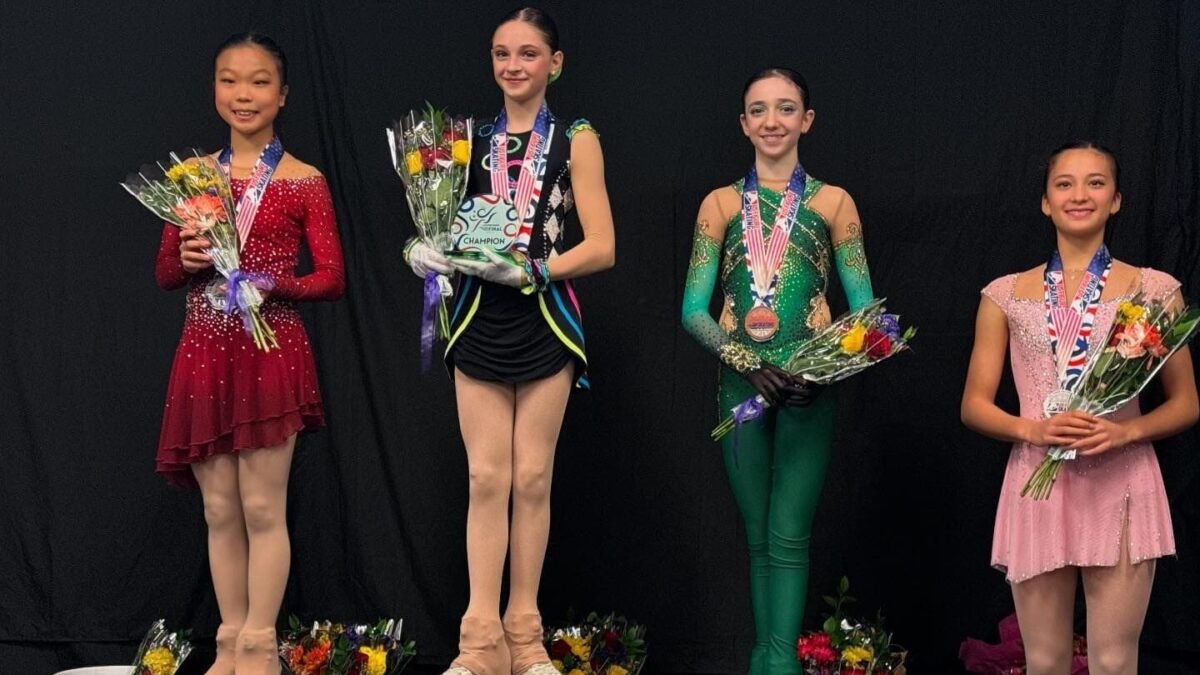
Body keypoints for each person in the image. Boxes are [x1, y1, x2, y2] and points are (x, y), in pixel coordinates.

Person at [402, 8, 615, 675]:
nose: (513, 66)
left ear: (555, 63)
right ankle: (478, 642)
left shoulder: (577, 139)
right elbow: (443, 226)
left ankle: (525, 637)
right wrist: (422, 249)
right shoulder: (463, 142)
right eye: (501, 53)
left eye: (528, 54)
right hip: (478, 318)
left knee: (531, 475)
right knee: (485, 475)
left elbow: (603, 246)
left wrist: (536, 268)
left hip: (545, 317)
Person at [961, 141, 1198, 675]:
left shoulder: (1155, 289)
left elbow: (1186, 404)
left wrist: (1124, 434)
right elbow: (974, 405)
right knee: (1045, 660)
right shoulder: (1004, 294)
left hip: (1123, 482)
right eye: (1064, 184)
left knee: (1114, 660)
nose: (1080, 195)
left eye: (1096, 182)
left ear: (1116, 199)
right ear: (1046, 202)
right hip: (1037, 483)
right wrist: (1034, 429)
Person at [153, 32, 345, 675]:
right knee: (217, 507)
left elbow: (332, 278)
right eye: (230, 79)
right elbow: (166, 273)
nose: (244, 93)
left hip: (271, 351)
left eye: (259, 81)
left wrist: (270, 282)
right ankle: (229, 639)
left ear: (282, 95)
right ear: (215, 90)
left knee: (263, 505)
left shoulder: (303, 181)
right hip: (204, 351)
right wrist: (184, 258)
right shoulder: (193, 177)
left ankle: (261, 642)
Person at [680, 68, 876, 675]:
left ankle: (781, 666)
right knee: (757, 536)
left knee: (789, 535)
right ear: (743, 123)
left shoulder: (833, 202)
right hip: (740, 390)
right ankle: (762, 662)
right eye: (758, 110)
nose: (772, 121)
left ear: (806, 121)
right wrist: (747, 363)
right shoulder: (717, 205)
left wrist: (823, 369)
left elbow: (867, 312)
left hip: (807, 392)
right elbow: (693, 310)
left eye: (785, 109)